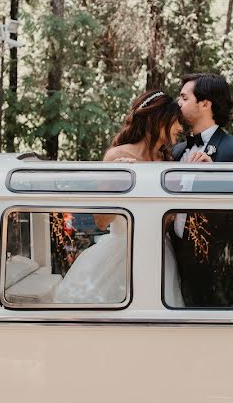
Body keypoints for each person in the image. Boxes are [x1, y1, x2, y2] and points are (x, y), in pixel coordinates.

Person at [52, 90, 198, 304]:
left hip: (159, 254)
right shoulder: (117, 156)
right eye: (176, 121)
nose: (179, 128)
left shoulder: (167, 159)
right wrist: (119, 184)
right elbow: (101, 222)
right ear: (159, 121)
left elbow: (167, 219)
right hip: (119, 255)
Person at [169, 73, 233, 307]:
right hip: (177, 267)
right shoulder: (177, 152)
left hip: (220, 274)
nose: (178, 103)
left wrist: (216, 178)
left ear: (205, 103)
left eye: (184, 97)